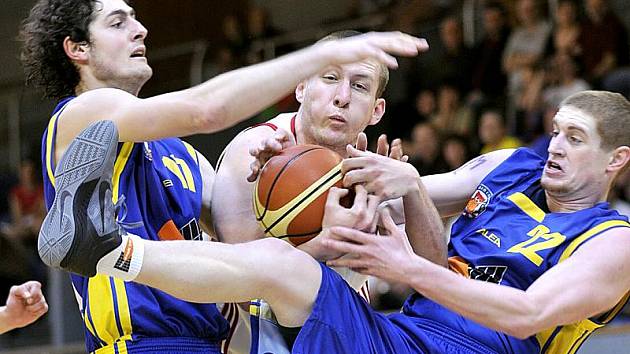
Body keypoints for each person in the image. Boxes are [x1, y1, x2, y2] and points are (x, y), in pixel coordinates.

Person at [44, 90, 630, 354]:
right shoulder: (508, 168)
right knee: (281, 265)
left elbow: (527, 317)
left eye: (574, 138)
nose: (553, 145)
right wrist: (304, 167)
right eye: (554, 130)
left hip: (476, 350)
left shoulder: (614, 242)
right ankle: (107, 251)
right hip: (406, 331)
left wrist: (402, 264)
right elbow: (406, 195)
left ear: (616, 160)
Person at [20, 0, 427, 352]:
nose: (140, 28)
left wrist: (308, 187)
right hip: (144, 342)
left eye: (135, 18)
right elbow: (207, 110)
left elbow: (251, 258)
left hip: (217, 341)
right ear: (77, 49)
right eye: (117, 22)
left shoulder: (183, 155)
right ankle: (107, 250)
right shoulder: (79, 119)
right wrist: (323, 57)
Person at [212, 29, 433, 354]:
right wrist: (332, 243)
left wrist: (411, 192)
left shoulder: (374, 169)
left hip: (342, 330)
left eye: (359, 85)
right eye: (330, 77)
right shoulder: (253, 151)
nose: (342, 96)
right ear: (301, 87)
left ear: (376, 111)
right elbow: (244, 290)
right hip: (259, 335)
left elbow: (430, 282)